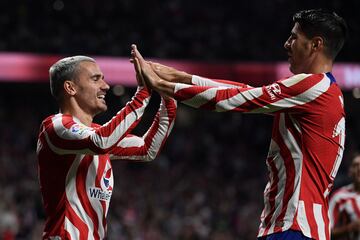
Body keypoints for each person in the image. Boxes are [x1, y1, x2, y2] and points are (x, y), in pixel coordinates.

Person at [131, 8, 348, 240]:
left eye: (294, 37)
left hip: (294, 227)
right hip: (300, 227)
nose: (286, 44)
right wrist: (179, 77)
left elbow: (234, 100)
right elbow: (245, 92)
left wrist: (163, 86)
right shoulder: (326, 92)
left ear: (316, 45)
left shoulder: (312, 87)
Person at [36, 55, 177, 239]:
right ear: (70, 88)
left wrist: (168, 97)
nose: (106, 86)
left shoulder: (98, 136)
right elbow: (101, 142)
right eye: (96, 79)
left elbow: (146, 148)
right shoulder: (56, 127)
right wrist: (143, 91)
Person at [329, 153, 360, 240]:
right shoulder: (339, 197)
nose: (359, 169)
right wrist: (349, 228)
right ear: (350, 171)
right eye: (356, 165)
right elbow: (326, 231)